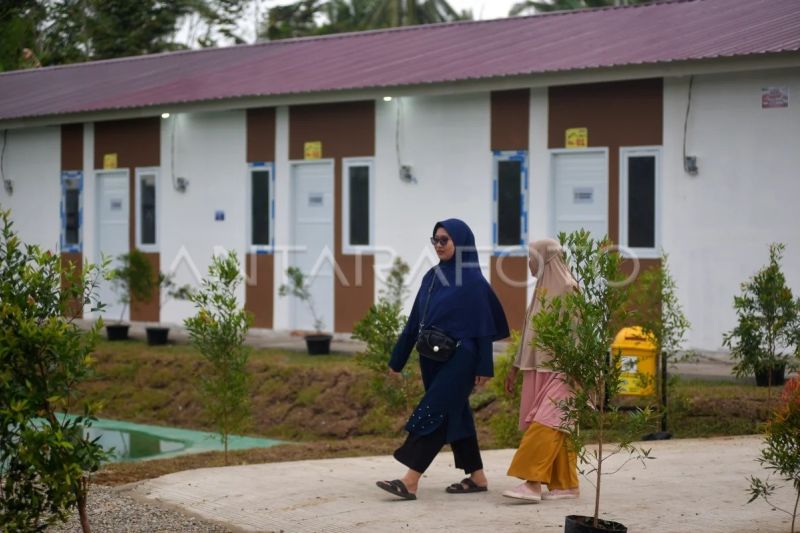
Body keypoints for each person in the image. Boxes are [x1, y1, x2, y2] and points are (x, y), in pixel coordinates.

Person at [376, 219, 509, 500]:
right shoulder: (432, 276)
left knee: (434, 412)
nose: (438, 245)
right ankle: (477, 477)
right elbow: (415, 322)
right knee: (455, 413)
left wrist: (485, 366)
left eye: (444, 240)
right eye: (435, 240)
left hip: (463, 357)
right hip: (431, 359)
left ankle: (410, 481)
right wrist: (396, 360)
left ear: (460, 242)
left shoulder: (472, 281)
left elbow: (483, 328)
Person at [502, 238, 580, 503]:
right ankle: (565, 484)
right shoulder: (541, 290)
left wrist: (578, 375)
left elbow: (579, 335)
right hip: (538, 369)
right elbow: (528, 334)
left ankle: (532, 482)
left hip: (563, 371)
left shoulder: (569, 290)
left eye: (531, 257)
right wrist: (514, 368)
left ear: (545, 258)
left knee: (546, 421)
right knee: (557, 426)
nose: (528, 263)